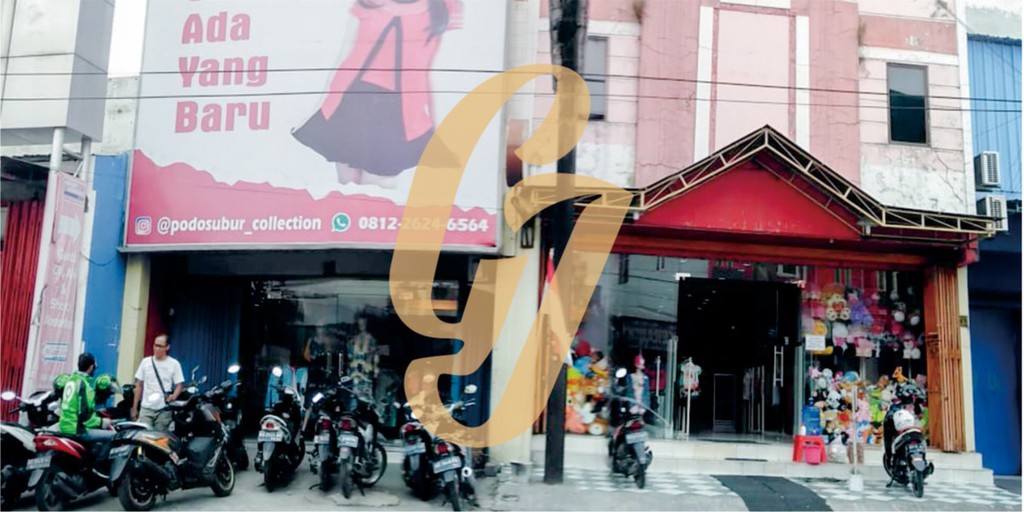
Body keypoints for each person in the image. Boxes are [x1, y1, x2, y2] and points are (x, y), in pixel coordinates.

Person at [292, 0, 463, 188]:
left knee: (378, 191)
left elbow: (436, 72)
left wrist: (439, 131)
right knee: (348, 187)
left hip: (398, 114)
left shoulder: (443, 6)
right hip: (351, 104)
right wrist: (319, 108)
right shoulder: (369, 3)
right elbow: (344, 54)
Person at [131, 334, 185, 432]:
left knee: (160, 437)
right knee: (144, 436)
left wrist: (173, 396)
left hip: (163, 409)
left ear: (167, 347)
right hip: (146, 408)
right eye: (155, 345)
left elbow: (179, 385)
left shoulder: (174, 364)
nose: (157, 349)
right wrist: (134, 407)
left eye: (160, 346)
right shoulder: (145, 362)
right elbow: (139, 386)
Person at [58, 352, 112, 438]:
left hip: (64, 426)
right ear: (91, 367)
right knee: (113, 436)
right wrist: (102, 422)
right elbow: (84, 416)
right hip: (76, 429)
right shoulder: (83, 385)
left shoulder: (71, 380)